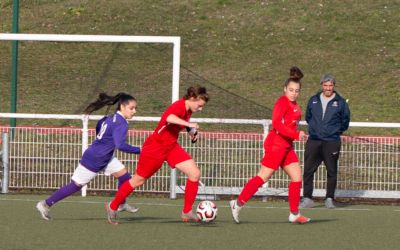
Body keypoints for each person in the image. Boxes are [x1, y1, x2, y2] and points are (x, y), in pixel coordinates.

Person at [105, 85, 209, 225]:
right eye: (200, 105)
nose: (201, 109)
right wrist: (189, 124)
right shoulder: (178, 106)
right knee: (137, 181)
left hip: (171, 147)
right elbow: (169, 118)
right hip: (155, 147)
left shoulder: (188, 110)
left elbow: (180, 124)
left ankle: (186, 211)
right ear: (192, 98)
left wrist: (191, 132)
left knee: (195, 173)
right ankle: (112, 206)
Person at [36, 92, 141, 220]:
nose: (134, 111)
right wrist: (140, 150)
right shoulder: (121, 123)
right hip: (95, 159)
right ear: (122, 107)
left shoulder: (110, 117)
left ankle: (120, 204)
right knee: (76, 185)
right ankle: (45, 204)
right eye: (132, 108)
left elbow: (99, 126)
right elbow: (121, 145)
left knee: (125, 177)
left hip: (104, 156)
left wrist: (101, 143)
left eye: (135, 108)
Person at [229, 66, 310, 224]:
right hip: (276, 145)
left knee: (297, 177)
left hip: (286, 146)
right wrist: (295, 134)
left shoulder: (294, 105)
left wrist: (294, 135)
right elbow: (276, 124)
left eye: (297, 90)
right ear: (284, 89)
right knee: (263, 176)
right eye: (291, 90)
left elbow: (289, 124)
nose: (294, 93)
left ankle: (294, 214)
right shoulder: (282, 102)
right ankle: (237, 203)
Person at [300, 74, 350, 209]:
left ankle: (329, 198)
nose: (328, 88)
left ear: (334, 86)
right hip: (314, 140)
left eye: (330, 85)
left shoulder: (340, 103)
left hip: (332, 141)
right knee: (309, 170)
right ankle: (307, 198)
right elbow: (308, 117)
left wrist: (335, 131)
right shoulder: (313, 100)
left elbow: (345, 121)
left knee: (332, 171)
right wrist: (317, 130)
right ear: (322, 85)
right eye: (325, 85)